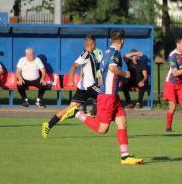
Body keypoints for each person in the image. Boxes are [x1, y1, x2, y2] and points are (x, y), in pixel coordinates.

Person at [62, 30, 144, 165]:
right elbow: (113, 69)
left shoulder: (107, 52)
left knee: (122, 122)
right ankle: (77, 113)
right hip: (107, 96)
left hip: (112, 95)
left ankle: (125, 157)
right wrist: (125, 74)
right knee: (102, 129)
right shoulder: (115, 53)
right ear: (122, 40)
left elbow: (106, 69)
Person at [41, 35, 102, 139]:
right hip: (88, 87)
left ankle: (48, 125)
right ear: (91, 44)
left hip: (85, 88)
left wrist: (98, 78)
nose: (95, 45)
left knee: (70, 108)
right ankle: (98, 117)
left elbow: (92, 70)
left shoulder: (91, 54)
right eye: (95, 44)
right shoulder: (86, 54)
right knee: (105, 97)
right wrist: (70, 79)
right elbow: (74, 65)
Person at [163, 37, 182, 132]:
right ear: (178, 44)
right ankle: (168, 127)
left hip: (180, 84)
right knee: (172, 107)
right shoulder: (172, 56)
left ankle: (177, 99)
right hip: (171, 83)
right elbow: (175, 73)